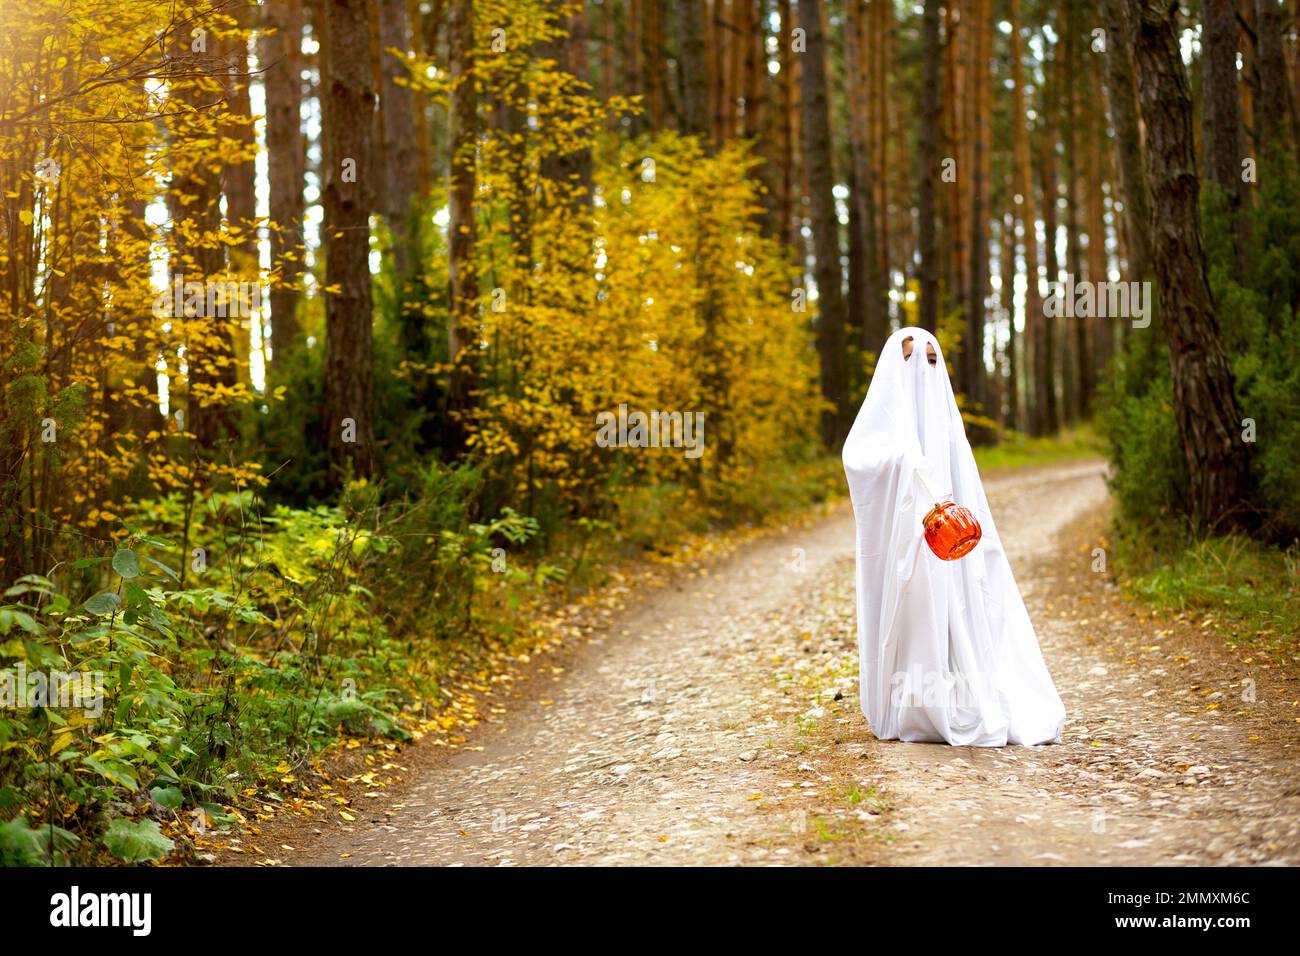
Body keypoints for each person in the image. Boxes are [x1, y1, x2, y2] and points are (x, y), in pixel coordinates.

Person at [841, 326, 1066, 746]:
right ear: (893, 365)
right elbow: (859, 461)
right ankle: (910, 700)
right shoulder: (879, 424)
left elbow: (966, 486)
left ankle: (957, 690)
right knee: (914, 608)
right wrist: (903, 464)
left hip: (948, 544)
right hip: (900, 544)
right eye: (910, 360)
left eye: (930, 361)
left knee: (955, 605)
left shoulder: (947, 423)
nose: (921, 371)